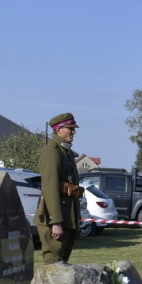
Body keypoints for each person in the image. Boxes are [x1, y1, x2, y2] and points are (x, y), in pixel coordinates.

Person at [36, 112, 83, 263]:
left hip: (67, 216)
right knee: (53, 263)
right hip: (56, 219)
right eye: (70, 128)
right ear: (59, 129)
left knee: (62, 263)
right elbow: (50, 188)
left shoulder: (65, 152)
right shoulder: (53, 152)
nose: (74, 132)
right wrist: (55, 221)